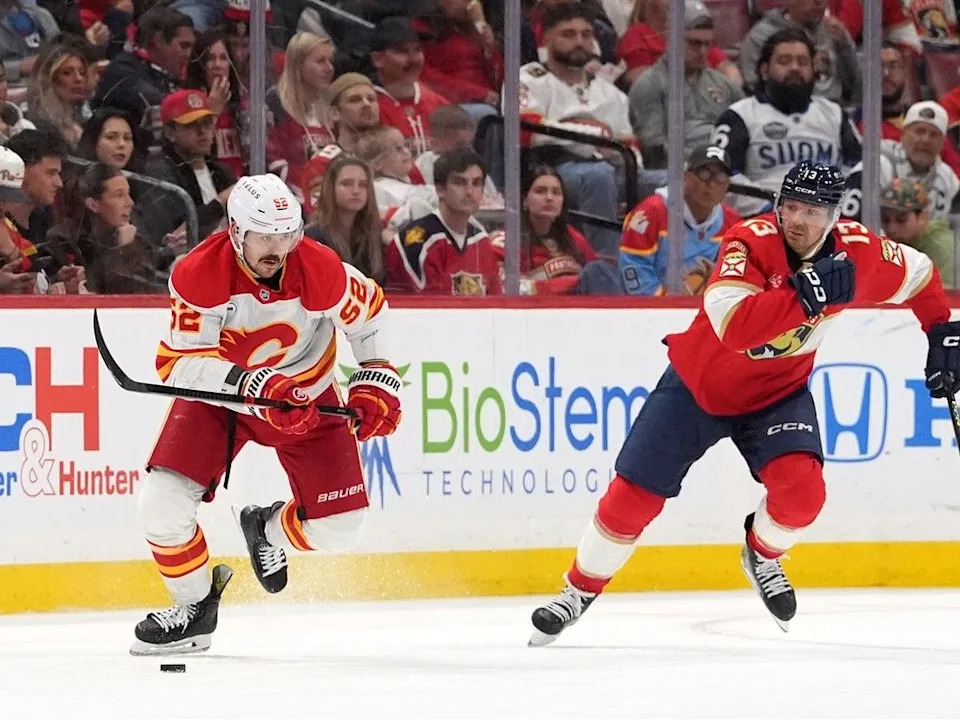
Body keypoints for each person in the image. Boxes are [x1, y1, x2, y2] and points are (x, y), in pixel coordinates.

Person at [529, 160, 959, 646]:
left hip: (777, 395)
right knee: (633, 498)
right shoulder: (747, 242)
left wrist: (941, 330)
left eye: (813, 211)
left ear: (835, 217)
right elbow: (733, 329)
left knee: (802, 497)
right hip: (697, 386)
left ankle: (762, 553)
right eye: (790, 206)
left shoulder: (859, 255)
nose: (797, 220)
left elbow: (920, 274)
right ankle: (577, 591)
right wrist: (807, 298)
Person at [133, 173, 402, 655]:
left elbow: (371, 315)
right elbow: (180, 364)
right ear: (236, 231)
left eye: (287, 235)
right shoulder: (199, 273)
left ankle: (267, 529)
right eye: (264, 236)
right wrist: (252, 385)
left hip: (308, 394)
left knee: (340, 529)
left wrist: (376, 377)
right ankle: (194, 610)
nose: (277, 248)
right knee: (160, 505)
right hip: (223, 402)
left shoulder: (320, 269)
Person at [711, 28, 861, 216]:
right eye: (784, 61)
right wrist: (772, 208)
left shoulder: (834, 114)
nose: (795, 68)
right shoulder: (739, 116)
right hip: (765, 220)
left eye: (803, 62)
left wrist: (839, 207)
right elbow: (721, 175)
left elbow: (859, 167)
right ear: (765, 70)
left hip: (829, 219)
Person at [620, 145, 740, 295]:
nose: (711, 184)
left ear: (728, 185)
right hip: (653, 312)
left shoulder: (733, 222)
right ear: (686, 176)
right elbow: (634, 267)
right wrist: (667, 305)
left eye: (721, 177)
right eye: (704, 174)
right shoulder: (650, 214)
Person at [386, 146, 499, 295]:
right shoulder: (417, 242)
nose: (470, 192)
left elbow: (496, 303)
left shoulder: (481, 241)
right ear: (440, 189)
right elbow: (430, 310)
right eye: (459, 182)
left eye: (476, 183)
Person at [304, 153, 386, 286]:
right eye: (346, 184)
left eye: (363, 185)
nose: (355, 191)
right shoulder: (313, 237)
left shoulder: (373, 237)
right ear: (331, 188)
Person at [879, 178, 956, 289]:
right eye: (885, 220)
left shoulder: (945, 249)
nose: (891, 229)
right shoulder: (890, 246)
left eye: (901, 220)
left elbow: (950, 300)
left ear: (922, 216)